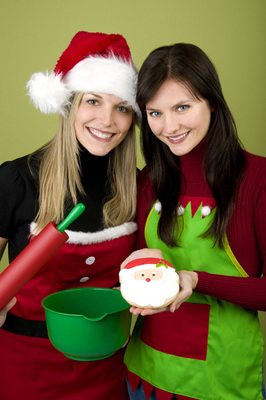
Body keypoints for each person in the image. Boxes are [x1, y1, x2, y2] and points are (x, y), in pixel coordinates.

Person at [121, 43, 266, 400]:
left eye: (182, 107)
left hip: (222, 379)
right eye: (154, 113)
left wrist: (195, 280)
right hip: (144, 376)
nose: (169, 127)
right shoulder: (149, 181)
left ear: (213, 101)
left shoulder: (257, 180)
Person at [0, 31, 140, 400]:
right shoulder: (15, 180)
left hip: (107, 368)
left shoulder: (139, 188)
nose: (107, 120)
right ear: (69, 104)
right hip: (25, 367)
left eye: (122, 107)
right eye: (93, 101)